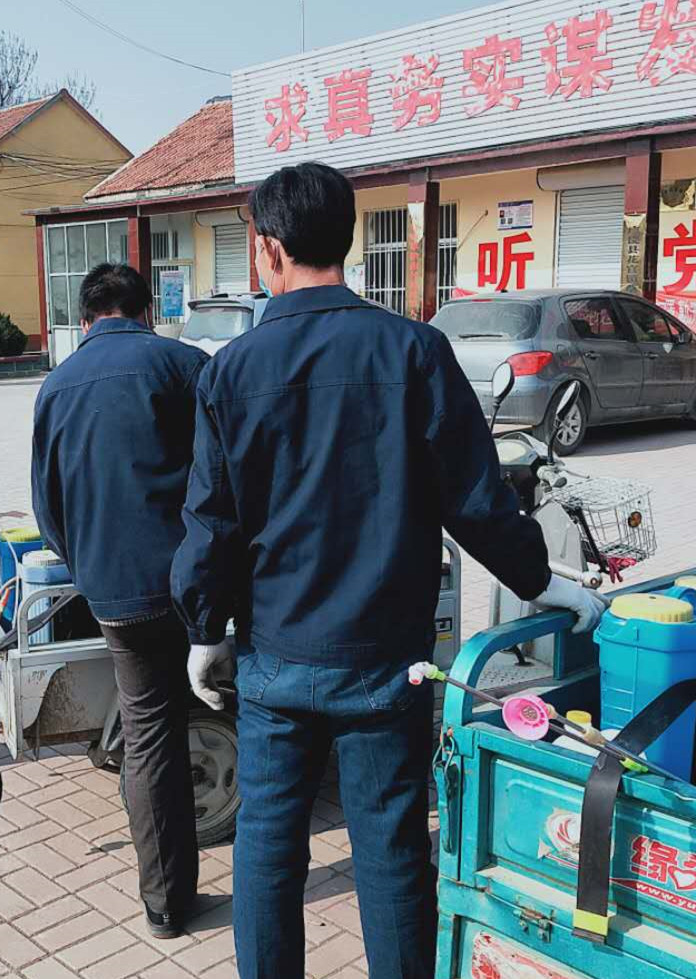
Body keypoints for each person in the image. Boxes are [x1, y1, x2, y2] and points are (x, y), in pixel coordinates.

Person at [170, 163, 607, 979]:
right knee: (393, 848)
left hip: (275, 658)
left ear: (266, 249)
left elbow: (210, 522)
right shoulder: (413, 349)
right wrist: (545, 580)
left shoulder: (229, 370)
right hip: (385, 659)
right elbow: (476, 501)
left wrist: (202, 630)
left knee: (267, 848)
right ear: (347, 242)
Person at [31, 263, 208, 939]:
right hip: (192, 587)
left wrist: (90, 570)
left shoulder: (55, 384)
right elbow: (223, 476)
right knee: (243, 706)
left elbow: (49, 509)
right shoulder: (182, 363)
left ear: (85, 320)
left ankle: (164, 903)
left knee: (149, 731)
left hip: (113, 595)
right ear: (144, 313)